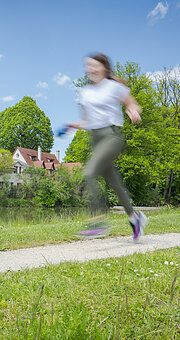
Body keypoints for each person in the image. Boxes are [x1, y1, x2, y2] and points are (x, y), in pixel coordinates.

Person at [66, 53, 148, 241]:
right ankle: (135, 218)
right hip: (95, 139)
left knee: (89, 173)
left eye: (94, 66)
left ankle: (97, 223)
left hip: (112, 136)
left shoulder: (114, 87)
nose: (91, 69)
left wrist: (132, 110)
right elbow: (87, 121)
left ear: (104, 68)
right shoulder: (84, 92)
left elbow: (133, 103)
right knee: (115, 183)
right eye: (88, 66)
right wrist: (73, 125)